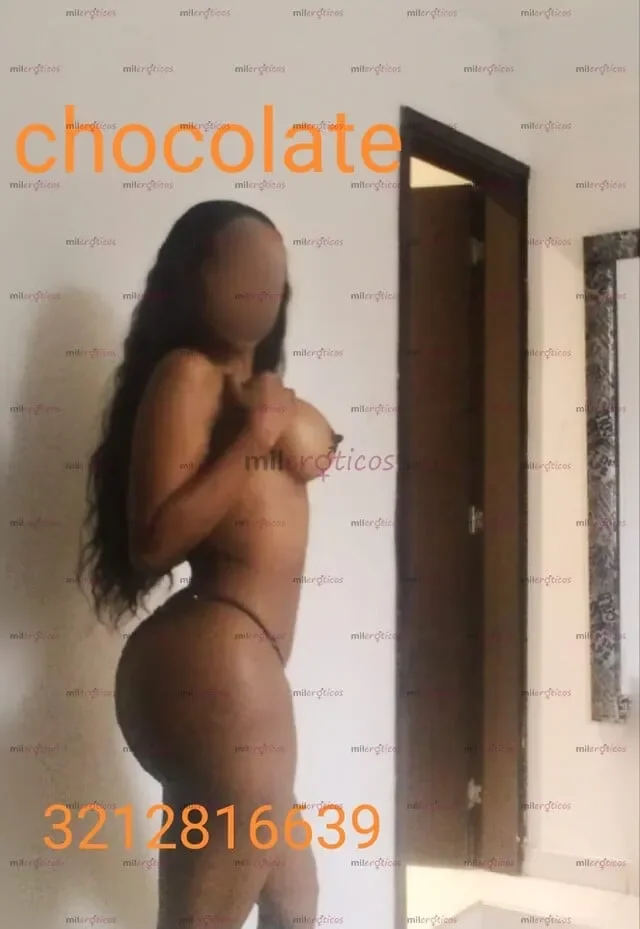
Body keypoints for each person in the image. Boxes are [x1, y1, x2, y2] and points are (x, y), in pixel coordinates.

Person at [77, 200, 343, 928]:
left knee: (293, 899)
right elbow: (153, 540)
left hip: (238, 670)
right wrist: (252, 434)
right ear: (195, 277)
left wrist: (266, 415)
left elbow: (317, 450)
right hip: (214, 660)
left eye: (275, 270)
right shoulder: (186, 376)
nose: (264, 283)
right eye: (243, 266)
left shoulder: (254, 394)